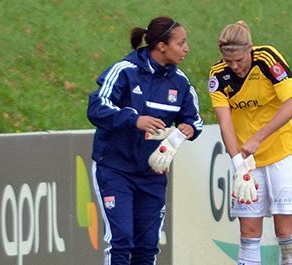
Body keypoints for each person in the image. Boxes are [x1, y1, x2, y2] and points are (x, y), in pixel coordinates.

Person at [87, 16, 203, 265]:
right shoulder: (124, 71)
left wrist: (188, 128)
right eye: (181, 43)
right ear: (162, 46)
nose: (187, 48)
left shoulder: (180, 82)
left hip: (152, 174)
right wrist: (134, 119)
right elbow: (97, 107)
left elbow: (195, 120)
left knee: (147, 245)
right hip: (115, 169)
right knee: (121, 241)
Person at [208, 20, 292, 265]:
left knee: (285, 231)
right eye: (229, 61)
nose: (235, 66)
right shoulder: (218, 75)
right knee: (249, 233)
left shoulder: (267, 58)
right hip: (248, 164)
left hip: (282, 153)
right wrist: (237, 162)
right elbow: (225, 123)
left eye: (239, 59)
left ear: (250, 48)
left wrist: (257, 138)